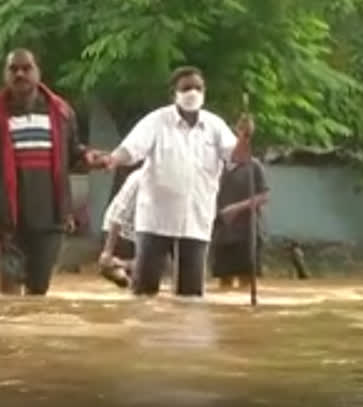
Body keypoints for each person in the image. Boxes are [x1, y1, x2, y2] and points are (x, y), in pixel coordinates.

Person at [106, 66, 254, 297]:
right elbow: (131, 149)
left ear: (205, 92)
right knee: (144, 291)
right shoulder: (156, 121)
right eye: (186, 88)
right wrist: (112, 159)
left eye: (198, 88)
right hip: (156, 219)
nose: (192, 92)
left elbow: (239, 157)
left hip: (196, 219)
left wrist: (244, 138)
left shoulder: (214, 126)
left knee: (191, 296)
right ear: (173, 93)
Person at [0, 48, 107, 296]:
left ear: (38, 72)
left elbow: (73, 153)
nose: (20, 74)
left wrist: (88, 157)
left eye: (26, 68)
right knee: (9, 284)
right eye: (13, 69)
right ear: (5, 75)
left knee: (38, 292)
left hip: (50, 220)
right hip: (7, 223)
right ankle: (7, 334)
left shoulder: (62, 114)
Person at [211, 157, 269, 290]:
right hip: (222, 233)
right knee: (224, 283)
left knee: (247, 282)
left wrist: (236, 208)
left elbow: (264, 196)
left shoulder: (253, 165)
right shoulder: (217, 165)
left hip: (248, 233)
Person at [99, 163, 143, 288]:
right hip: (121, 232)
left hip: (143, 233)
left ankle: (123, 266)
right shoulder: (138, 178)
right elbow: (118, 214)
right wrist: (108, 251)